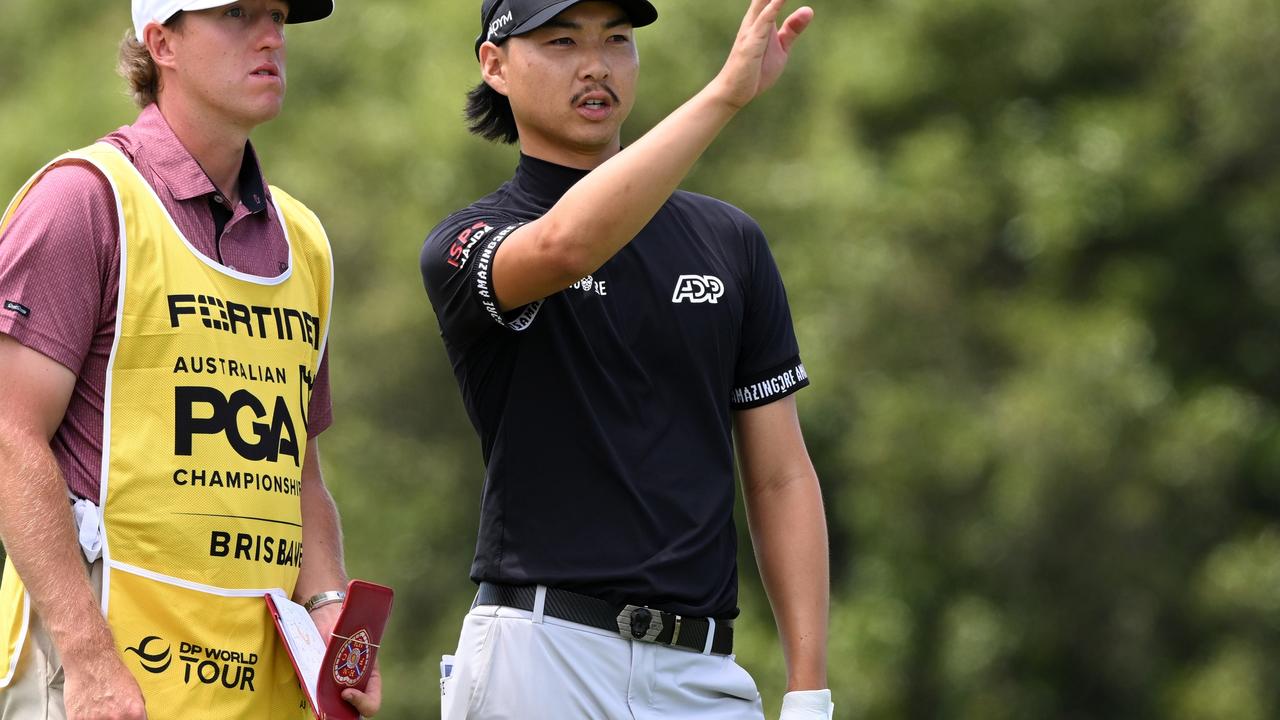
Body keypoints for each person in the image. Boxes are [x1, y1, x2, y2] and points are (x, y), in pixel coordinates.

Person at [420, 0, 832, 717]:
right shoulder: (471, 239)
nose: (595, 64)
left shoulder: (730, 241)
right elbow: (565, 247)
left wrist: (808, 691)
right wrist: (724, 94)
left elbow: (780, 477)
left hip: (703, 674)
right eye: (560, 41)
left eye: (617, 40)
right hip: (540, 656)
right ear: (495, 65)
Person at [0, 1, 380, 717]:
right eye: (237, 14)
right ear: (162, 41)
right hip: (110, 687)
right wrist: (88, 657)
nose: (271, 35)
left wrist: (331, 610)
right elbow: (9, 436)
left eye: (277, 13)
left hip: (259, 693)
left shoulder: (303, 240)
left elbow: (295, 464)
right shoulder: (84, 199)